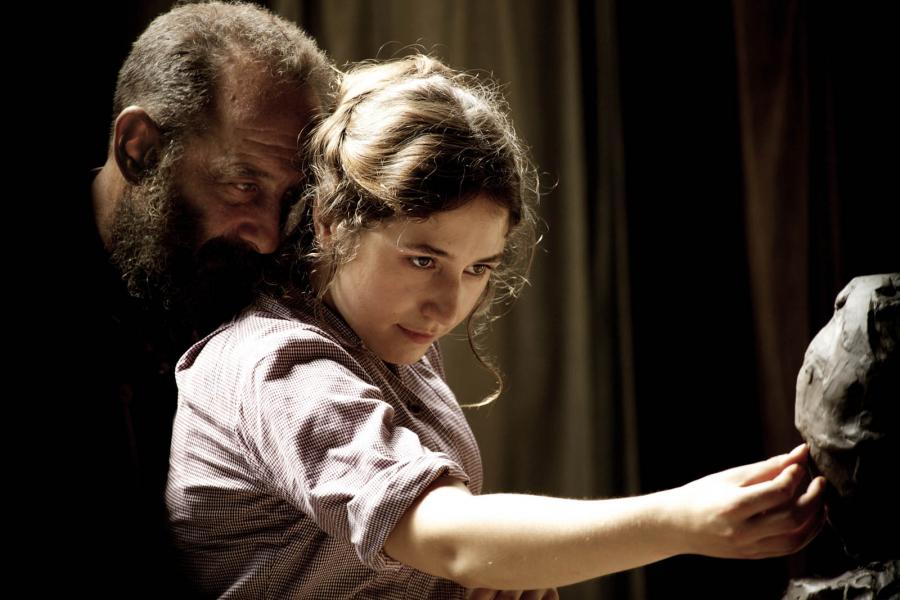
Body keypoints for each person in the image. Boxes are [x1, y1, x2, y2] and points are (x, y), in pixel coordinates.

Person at [166, 55, 826, 598]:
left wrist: (498, 572)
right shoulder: (279, 365)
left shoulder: (388, 338)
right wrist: (681, 520)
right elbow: (450, 536)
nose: (448, 305)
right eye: (423, 259)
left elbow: (448, 553)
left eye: (478, 268)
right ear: (331, 223)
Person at [73, 2, 331, 595]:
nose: (268, 236)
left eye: (288, 197)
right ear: (140, 149)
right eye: (242, 185)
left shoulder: (257, 288)